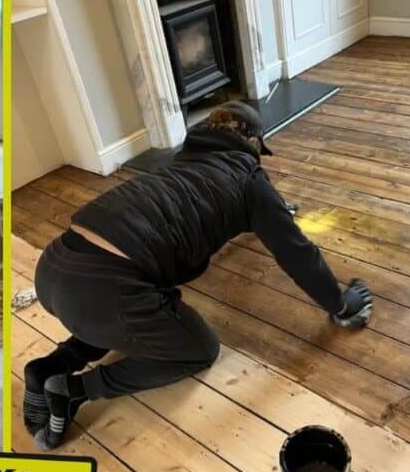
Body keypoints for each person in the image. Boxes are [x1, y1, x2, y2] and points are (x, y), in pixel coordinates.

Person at [23, 101, 373, 451]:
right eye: (259, 151)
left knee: (119, 311)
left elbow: (203, 206)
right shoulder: (249, 179)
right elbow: (297, 253)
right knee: (198, 348)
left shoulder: (179, 162)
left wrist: (271, 212)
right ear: (252, 142)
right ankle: (74, 391)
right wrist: (340, 304)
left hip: (54, 267)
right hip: (102, 291)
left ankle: (48, 369)